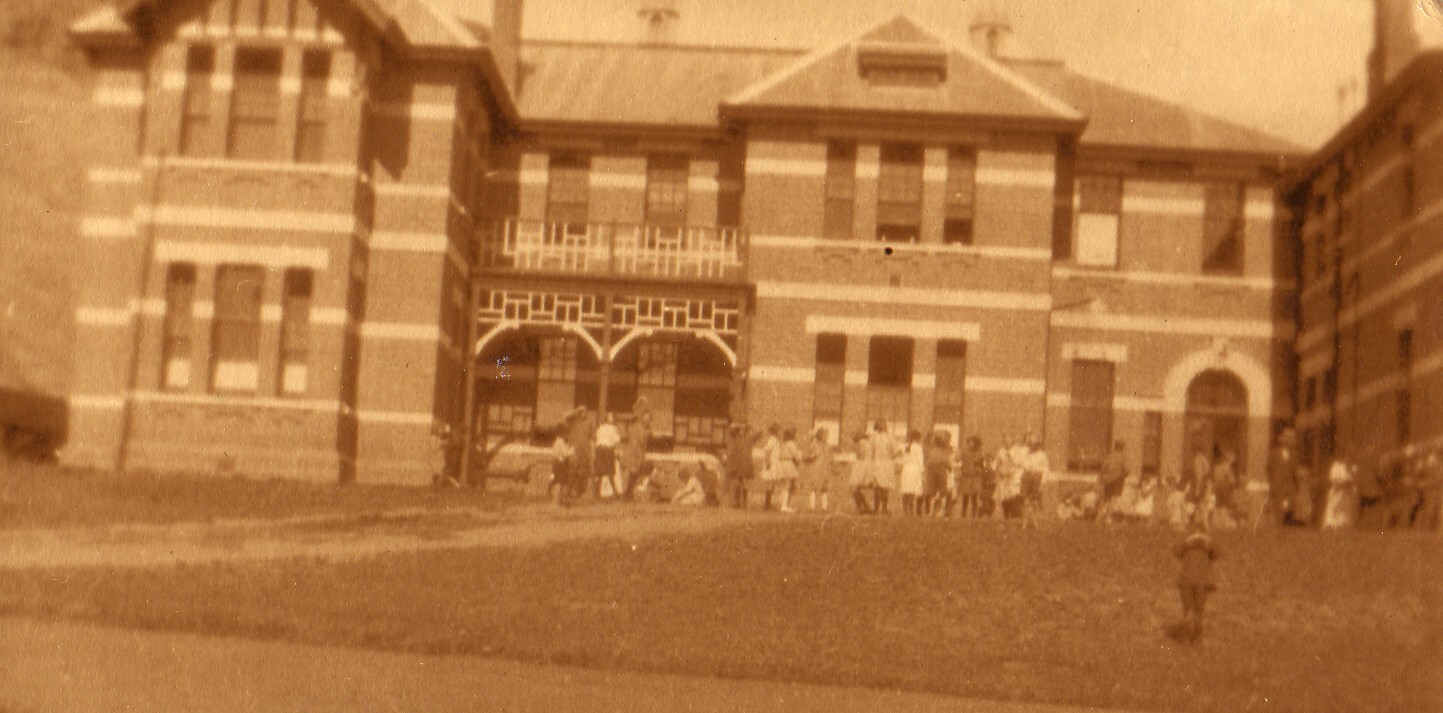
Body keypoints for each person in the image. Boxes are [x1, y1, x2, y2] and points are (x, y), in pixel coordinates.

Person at [1172, 517, 1219, 644]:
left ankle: (1185, 638)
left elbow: (1176, 551)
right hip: (1201, 582)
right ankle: (1197, 638)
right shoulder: (1206, 546)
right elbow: (1217, 553)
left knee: (1188, 610)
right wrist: (1207, 541)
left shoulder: (1187, 545)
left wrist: (1188, 541)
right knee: (1199, 611)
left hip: (1186, 581)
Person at [1264, 428, 1300, 527]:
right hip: (1278, 488)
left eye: (1292, 438)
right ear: (1283, 439)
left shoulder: (1294, 455)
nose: (1291, 441)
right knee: (1279, 515)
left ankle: (1288, 536)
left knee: (1290, 513)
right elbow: (1268, 469)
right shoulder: (1274, 453)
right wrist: (1273, 483)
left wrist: (1296, 486)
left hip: (1290, 489)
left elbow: (1295, 472)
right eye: (1288, 438)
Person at [619, 405, 652, 500]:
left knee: (635, 473)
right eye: (646, 418)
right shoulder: (638, 427)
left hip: (637, 452)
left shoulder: (641, 427)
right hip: (634, 452)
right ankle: (627, 494)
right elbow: (641, 440)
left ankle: (628, 493)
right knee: (633, 472)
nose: (648, 420)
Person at [801, 427, 834, 512]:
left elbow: (830, 458)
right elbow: (805, 457)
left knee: (819, 488)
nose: (826, 437)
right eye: (824, 435)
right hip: (820, 468)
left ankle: (819, 507)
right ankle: (818, 507)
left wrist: (805, 458)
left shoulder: (822, 446)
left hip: (821, 468)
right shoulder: (820, 446)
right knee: (818, 488)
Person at [870, 420, 899, 515]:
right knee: (885, 487)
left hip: (877, 464)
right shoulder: (890, 438)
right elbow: (894, 452)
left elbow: (871, 453)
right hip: (887, 463)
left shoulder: (874, 438)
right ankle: (884, 508)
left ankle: (876, 508)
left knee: (877, 486)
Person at [1322, 455, 1359, 530]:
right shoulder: (1336, 466)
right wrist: (1343, 482)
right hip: (1337, 492)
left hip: (1347, 494)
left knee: (1346, 511)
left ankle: (1344, 525)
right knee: (1334, 509)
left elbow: (1355, 480)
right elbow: (1332, 478)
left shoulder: (1354, 468)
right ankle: (1331, 525)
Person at [1020, 434, 1049, 528]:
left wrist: (1042, 482)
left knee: (1034, 500)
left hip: (1036, 477)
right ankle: (1025, 521)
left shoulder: (1042, 455)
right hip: (1027, 476)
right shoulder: (1027, 454)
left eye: (1034, 444)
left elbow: (1045, 469)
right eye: (1031, 444)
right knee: (1025, 500)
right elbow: (1023, 465)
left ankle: (1034, 521)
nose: (1032, 446)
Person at [725, 424, 755, 509]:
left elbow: (731, 454)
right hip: (745, 463)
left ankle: (738, 503)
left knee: (738, 482)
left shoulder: (735, 441)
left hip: (738, 464)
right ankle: (743, 503)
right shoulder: (746, 439)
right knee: (743, 483)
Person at [924, 430, 953, 517]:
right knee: (938, 491)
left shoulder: (934, 450)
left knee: (937, 491)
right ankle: (936, 510)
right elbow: (947, 462)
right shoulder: (942, 450)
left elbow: (929, 462)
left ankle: (937, 510)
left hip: (936, 470)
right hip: (938, 470)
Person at [955, 436, 985, 519]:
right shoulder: (964, 451)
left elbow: (981, 462)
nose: (970, 444)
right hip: (966, 476)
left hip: (975, 476)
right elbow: (957, 459)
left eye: (972, 442)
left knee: (974, 496)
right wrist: (958, 453)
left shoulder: (980, 451)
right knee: (965, 496)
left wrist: (978, 467)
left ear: (976, 443)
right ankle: (963, 514)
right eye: (969, 442)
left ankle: (974, 514)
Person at [1097, 440, 1128, 521]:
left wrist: (1102, 478)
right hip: (1117, 479)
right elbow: (1126, 469)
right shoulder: (1123, 457)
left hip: (1108, 480)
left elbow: (1103, 468)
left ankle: (1099, 517)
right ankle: (1108, 517)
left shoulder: (1109, 456)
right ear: (1122, 447)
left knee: (1107, 499)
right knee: (1114, 499)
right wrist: (1124, 474)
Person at [774, 426, 802, 513]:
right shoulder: (791, 444)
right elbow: (796, 455)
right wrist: (799, 458)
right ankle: (785, 505)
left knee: (786, 485)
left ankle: (785, 505)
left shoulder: (783, 444)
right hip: (789, 464)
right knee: (788, 484)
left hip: (782, 464)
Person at [899, 429, 926, 516]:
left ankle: (905, 510)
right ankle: (910, 510)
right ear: (918, 438)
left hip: (906, 469)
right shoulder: (918, 447)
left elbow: (902, 459)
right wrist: (922, 473)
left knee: (906, 490)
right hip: (915, 469)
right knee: (912, 492)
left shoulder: (905, 446)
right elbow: (920, 461)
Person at [594, 413, 622, 499]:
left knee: (600, 472)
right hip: (607, 450)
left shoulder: (600, 428)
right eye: (610, 417)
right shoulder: (612, 428)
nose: (611, 419)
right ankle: (615, 493)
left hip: (599, 449)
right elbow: (617, 440)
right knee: (609, 471)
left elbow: (596, 437)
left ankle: (597, 493)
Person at [550, 422, 576, 507]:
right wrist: (572, 450)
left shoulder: (556, 441)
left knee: (558, 482)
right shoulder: (561, 442)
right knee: (560, 483)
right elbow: (566, 453)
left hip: (556, 463)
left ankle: (558, 501)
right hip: (560, 464)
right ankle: (557, 501)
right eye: (565, 433)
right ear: (562, 433)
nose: (566, 435)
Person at [849, 431, 876, 514]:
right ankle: (865, 506)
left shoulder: (861, 443)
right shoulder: (869, 444)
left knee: (854, 488)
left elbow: (860, 455)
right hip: (868, 465)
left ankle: (863, 506)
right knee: (863, 488)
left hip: (861, 465)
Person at [759, 424, 782, 510]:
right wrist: (768, 462)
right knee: (770, 483)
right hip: (772, 463)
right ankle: (767, 504)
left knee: (771, 483)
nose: (780, 433)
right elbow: (767, 451)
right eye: (779, 431)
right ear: (775, 432)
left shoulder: (775, 440)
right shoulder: (772, 440)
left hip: (774, 462)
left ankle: (768, 503)